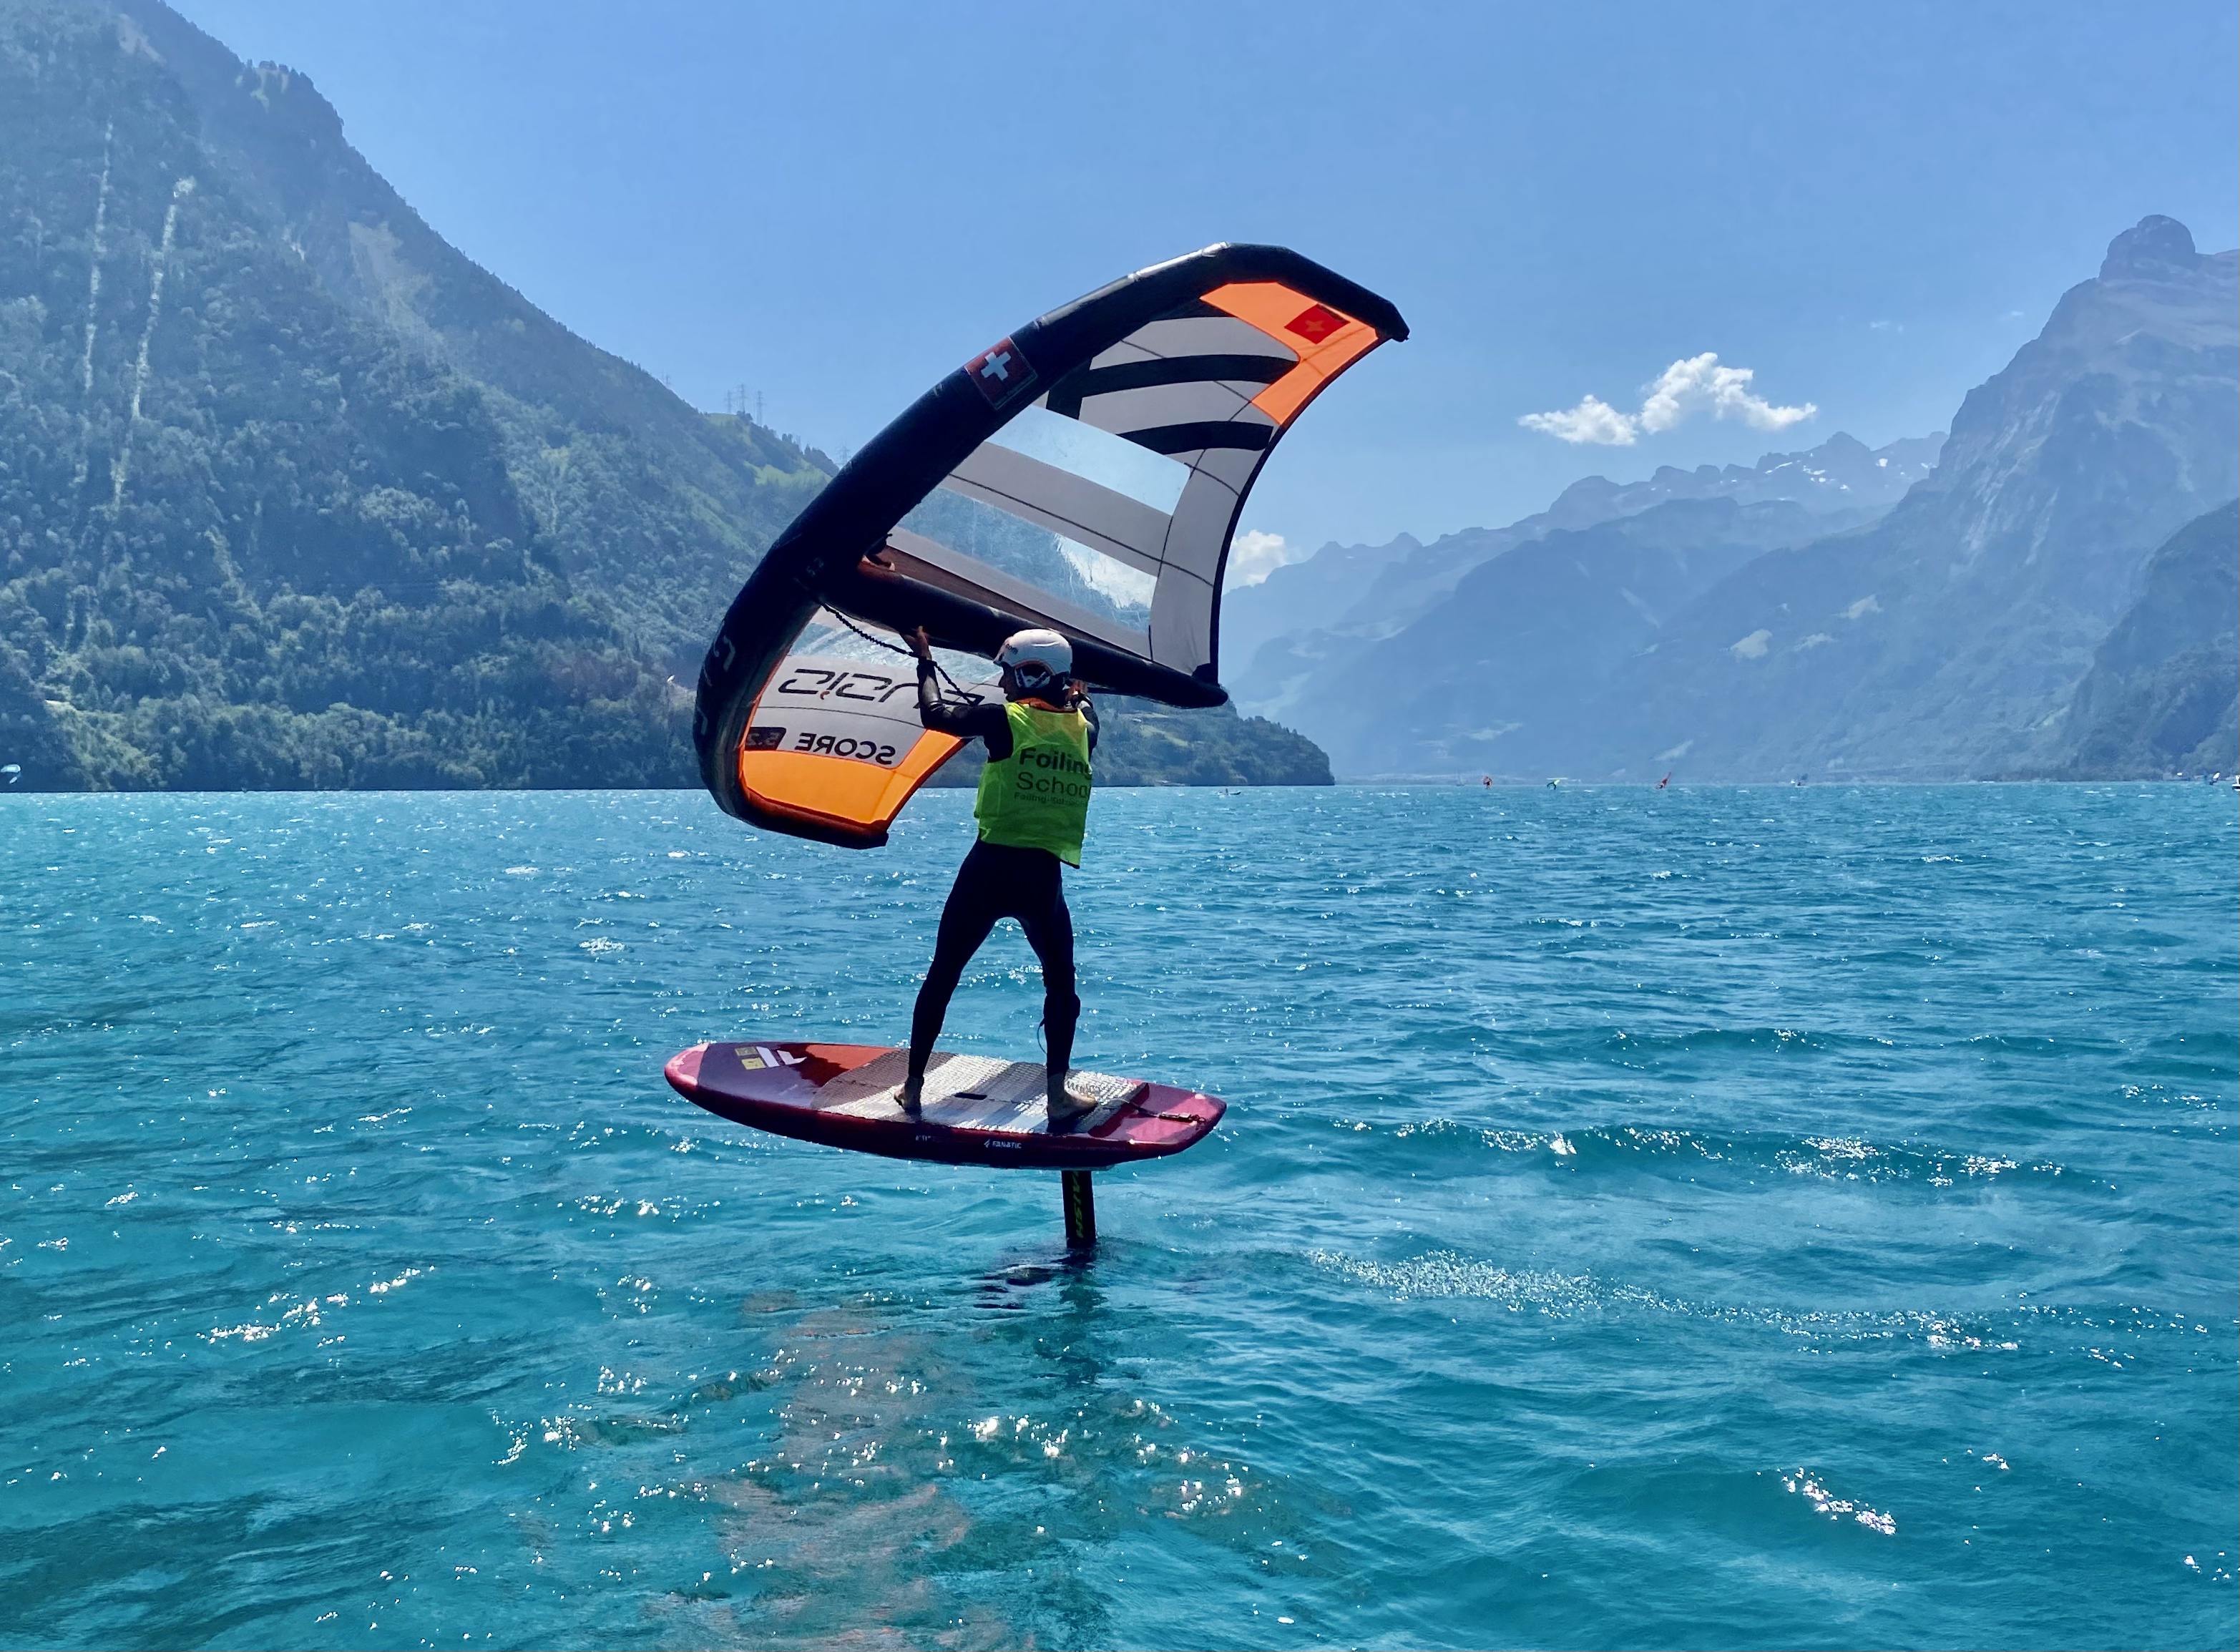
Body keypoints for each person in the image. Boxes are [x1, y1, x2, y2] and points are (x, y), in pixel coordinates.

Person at [903, 625, 1100, 1120]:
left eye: (1008, 673)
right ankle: (1057, 1096)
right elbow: (1083, 705)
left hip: (988, 871)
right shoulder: (1085, 730)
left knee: (944, 974)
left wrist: (925, 658)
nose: (1002, 683)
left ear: (1032, 674)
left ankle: (912, 1087)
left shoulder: (1003, 720)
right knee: (1062, 985)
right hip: (1042, 881)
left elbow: (934, 713)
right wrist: (1079, 694)